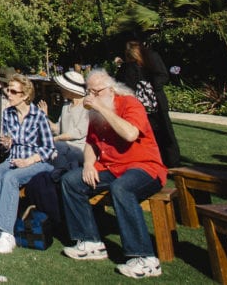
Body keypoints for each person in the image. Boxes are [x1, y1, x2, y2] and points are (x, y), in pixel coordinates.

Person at [61, 69, 168, 279]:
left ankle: (145, 258)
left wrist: (101, 107)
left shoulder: (129, 103)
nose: (92, 96)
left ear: (111, 89)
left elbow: (130, 134)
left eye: (97, 91)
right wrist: (89, 165)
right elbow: (91, 142)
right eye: (89, 91)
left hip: (144, 167)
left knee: (122, 188)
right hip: (111, 168)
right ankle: (90, 241)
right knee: (71, 181)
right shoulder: (96, 111)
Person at [0, 74, 56, 254]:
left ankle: (7, 233)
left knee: (10, 178)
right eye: (8, 90)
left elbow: (49, 148)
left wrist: (28, 161)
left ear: (25, 95)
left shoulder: (38, 116)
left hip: (36, 161)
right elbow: (11, 145)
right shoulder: (8, 114)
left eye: (13, 91)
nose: (9, 94)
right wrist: (8, 143)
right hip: (15, 158)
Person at [116, 40, 180, 168]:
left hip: (156, 104)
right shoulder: (128, 67)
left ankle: (171, 162)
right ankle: (151, 160)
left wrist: (151, 85)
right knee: (147, 135)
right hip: (140, 105)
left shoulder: (152, 60)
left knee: (165, 133)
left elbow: (163, 75)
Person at [38, 69, 88, 178]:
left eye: (62, 87)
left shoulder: (87, 106)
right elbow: (57, 129)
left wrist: (55, 139)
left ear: (71, 89)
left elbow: (77, 133)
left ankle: (56, 177)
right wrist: (45, 117)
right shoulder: (66, 106)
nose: (60, 89)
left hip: (79, 149)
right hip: (63, 146)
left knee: (55, 147)